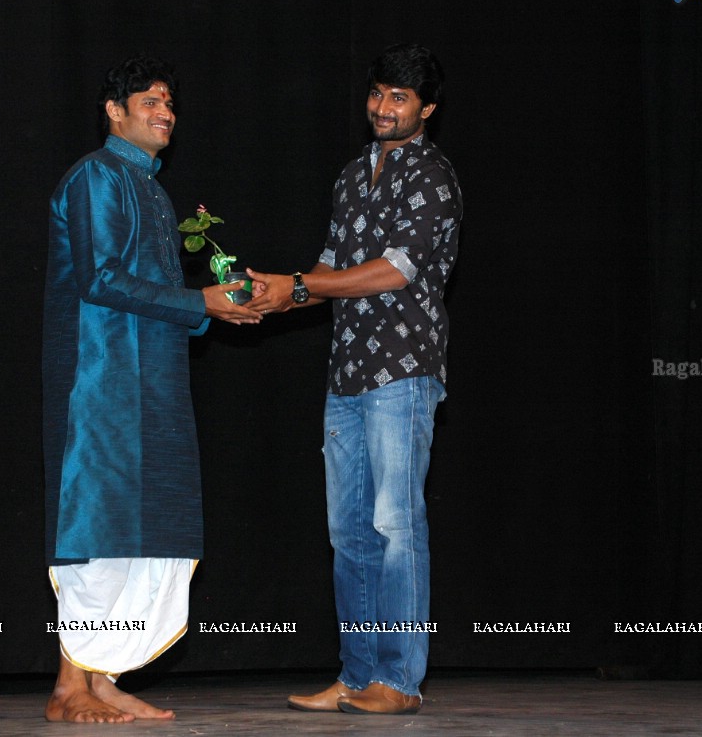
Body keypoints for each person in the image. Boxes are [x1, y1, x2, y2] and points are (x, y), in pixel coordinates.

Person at [41, 53, 259, 724]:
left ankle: (100, 675)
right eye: (151, 100)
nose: (166, 111)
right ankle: (67, 685)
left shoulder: (155, 193)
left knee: (145, 530)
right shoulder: (95, 177)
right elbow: (100, 280)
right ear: (114, 110)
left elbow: (166, 298)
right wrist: (203, 302)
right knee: (99, 524)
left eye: (171, 102)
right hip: (100, 382)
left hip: (152, 382)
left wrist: (218, 307)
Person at [247, 43, 462, 715]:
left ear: (426, 108)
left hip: (401, 371)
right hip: (345, 374)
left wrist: (301, 285)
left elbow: (395, 270)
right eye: (377, 93)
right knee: (349, 532)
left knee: (396, 524)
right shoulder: (349, 176)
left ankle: (399, 681)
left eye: (399, 97)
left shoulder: (433, 176)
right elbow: (331, 265)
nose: (383, 106)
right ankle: (358, 672)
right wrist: (272, 296)